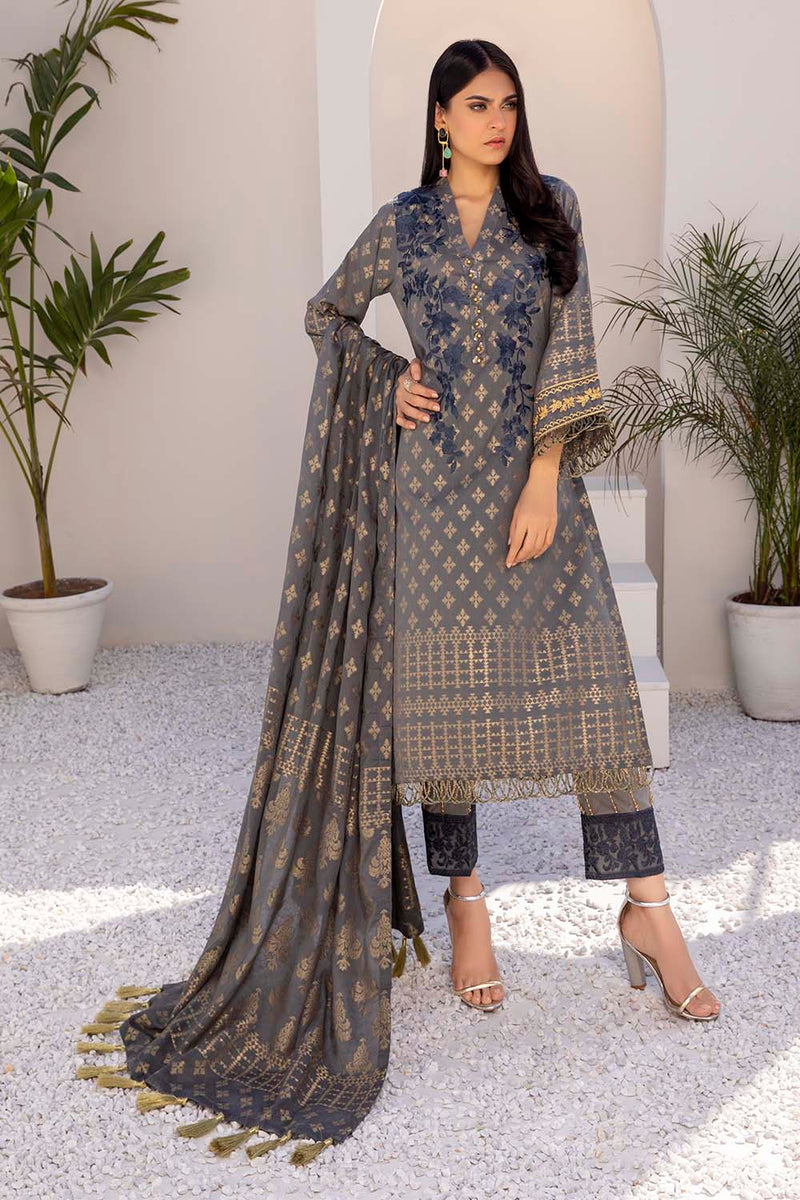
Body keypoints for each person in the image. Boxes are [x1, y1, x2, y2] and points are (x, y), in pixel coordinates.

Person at [77, 37, 718, 1170]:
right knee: (447, 704)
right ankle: (466, 900)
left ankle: (649, 907)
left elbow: (568, 344)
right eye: (476, 103)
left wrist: (543, 476)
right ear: (438, 118)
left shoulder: (550, 211)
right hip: (429, 501)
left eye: (508, 102)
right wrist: (389, 381)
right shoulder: (403, 226)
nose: (496, 120)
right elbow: (327, 315)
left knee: (596, 700)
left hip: (527, 488)